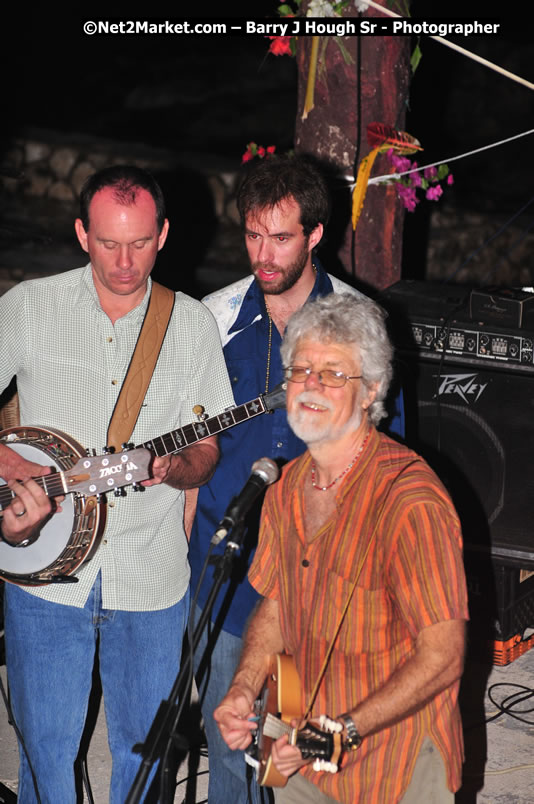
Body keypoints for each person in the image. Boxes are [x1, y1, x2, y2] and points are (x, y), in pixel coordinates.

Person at [0, 165, 234, 803]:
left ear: (164, 235)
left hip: (150, 573)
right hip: (44, 575)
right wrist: (13, 470)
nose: (124, 262)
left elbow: (207, 450)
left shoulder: (190, 324)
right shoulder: (29, 306)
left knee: (146, 752)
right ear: (82, 234)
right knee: (45, 750)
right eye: (108, 243)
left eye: (139, 243)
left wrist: (173, 468)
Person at [187, 155, 404, 803]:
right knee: (231, 754)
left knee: (308, 763)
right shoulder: (213, 318)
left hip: (322, 579)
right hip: (227, 575)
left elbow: (390, 458)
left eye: (281, 237)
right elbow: (190, 445)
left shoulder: (361, 323)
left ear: (315, 235)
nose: (264, 254)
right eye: (253, 235)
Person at [214, 293, 469, 804]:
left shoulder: (411, 502)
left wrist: (340, 731)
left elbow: (444, 656)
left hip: (394, 763)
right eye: (301, 369)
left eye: (333, 373)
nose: (310, 385)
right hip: (300, 750)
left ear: (371, 389)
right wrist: (244, 686)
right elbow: (276, 604)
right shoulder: (285, 487)